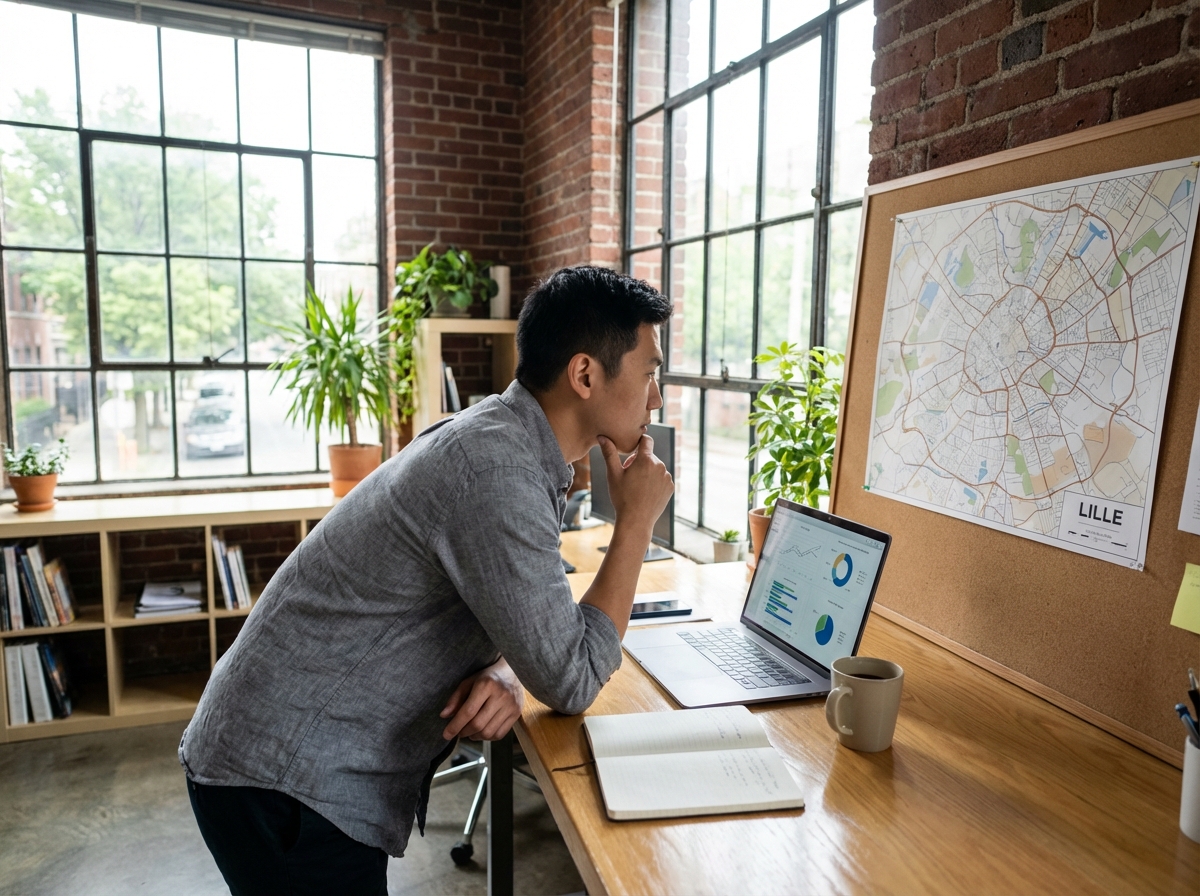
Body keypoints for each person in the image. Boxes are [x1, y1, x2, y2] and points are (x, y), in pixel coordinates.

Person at [180, 265, 675, 895]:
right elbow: (572, 678)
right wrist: (636, 521)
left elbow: (521, 618)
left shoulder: (501, 439)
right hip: (285, 778)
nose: (656, 397)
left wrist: (505, 670)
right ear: (585, 374)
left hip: (278, 758)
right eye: (650, 371)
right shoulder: (498, 473)